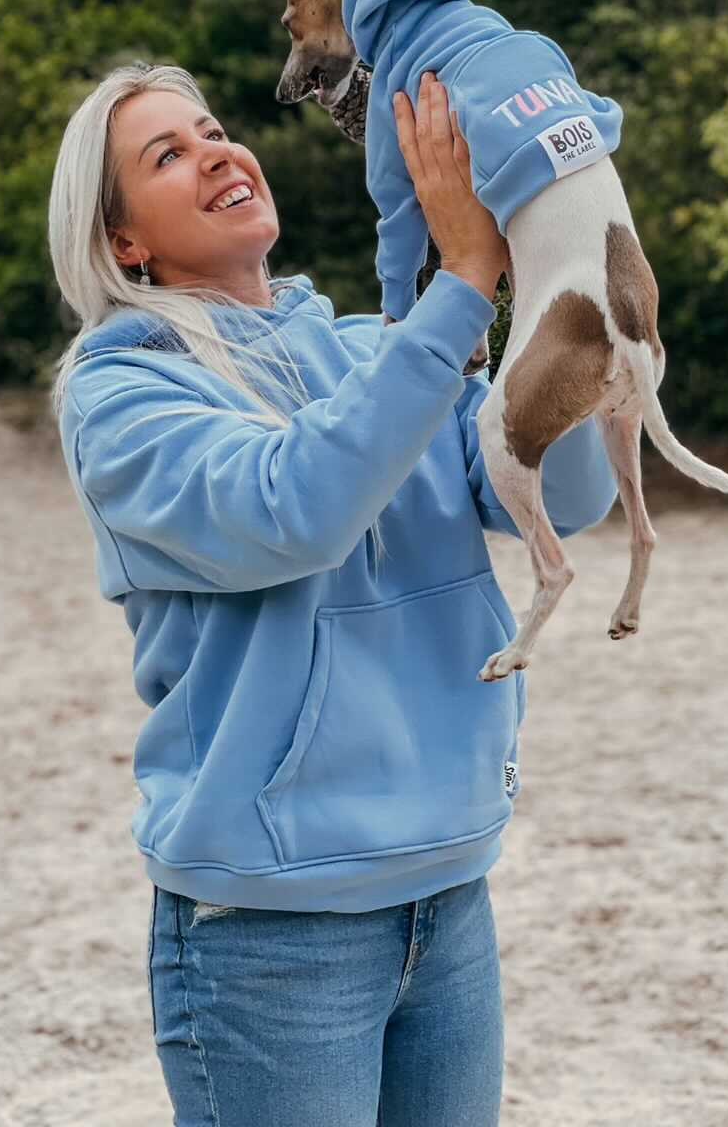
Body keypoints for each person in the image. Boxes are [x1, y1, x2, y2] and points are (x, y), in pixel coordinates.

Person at [47, 60, 618, 1127]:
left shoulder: (375, 346)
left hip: (449, 895)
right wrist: (458, 284)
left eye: (213, 129)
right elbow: (294, 509)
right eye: (166, 154)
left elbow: (560, 497)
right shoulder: (119, 394)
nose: (217, 150)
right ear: (124, 240)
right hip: (269, 933)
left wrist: (563, 270)